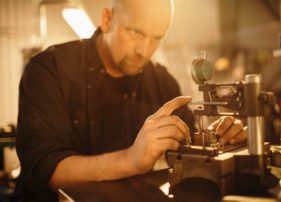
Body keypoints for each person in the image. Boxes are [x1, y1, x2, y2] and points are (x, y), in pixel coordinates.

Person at [11, 0, 247, 201]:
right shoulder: (49, 70)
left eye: (157, 38)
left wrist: (216, 138)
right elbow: (45, 170)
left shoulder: (161, 80)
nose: (144, 51)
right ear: (107, 19)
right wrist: (131, 160)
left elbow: (185, 144)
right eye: (135, 32)